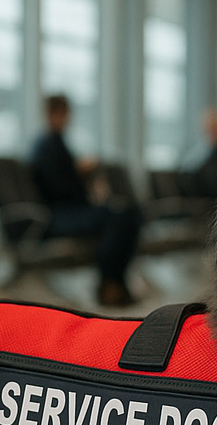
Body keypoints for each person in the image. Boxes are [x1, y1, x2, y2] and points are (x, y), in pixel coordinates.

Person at [29, 94, 143, 307]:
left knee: (128, 214)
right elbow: (59, 189)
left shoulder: (54, 144)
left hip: (71, 211)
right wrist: (77, 172)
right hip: (59, 215)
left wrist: (77, 171)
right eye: (62, 113)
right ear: (51, 114)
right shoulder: (47, 145)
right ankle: (109, 281)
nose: (65, 118)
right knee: (121, 217)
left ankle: (114, 281)